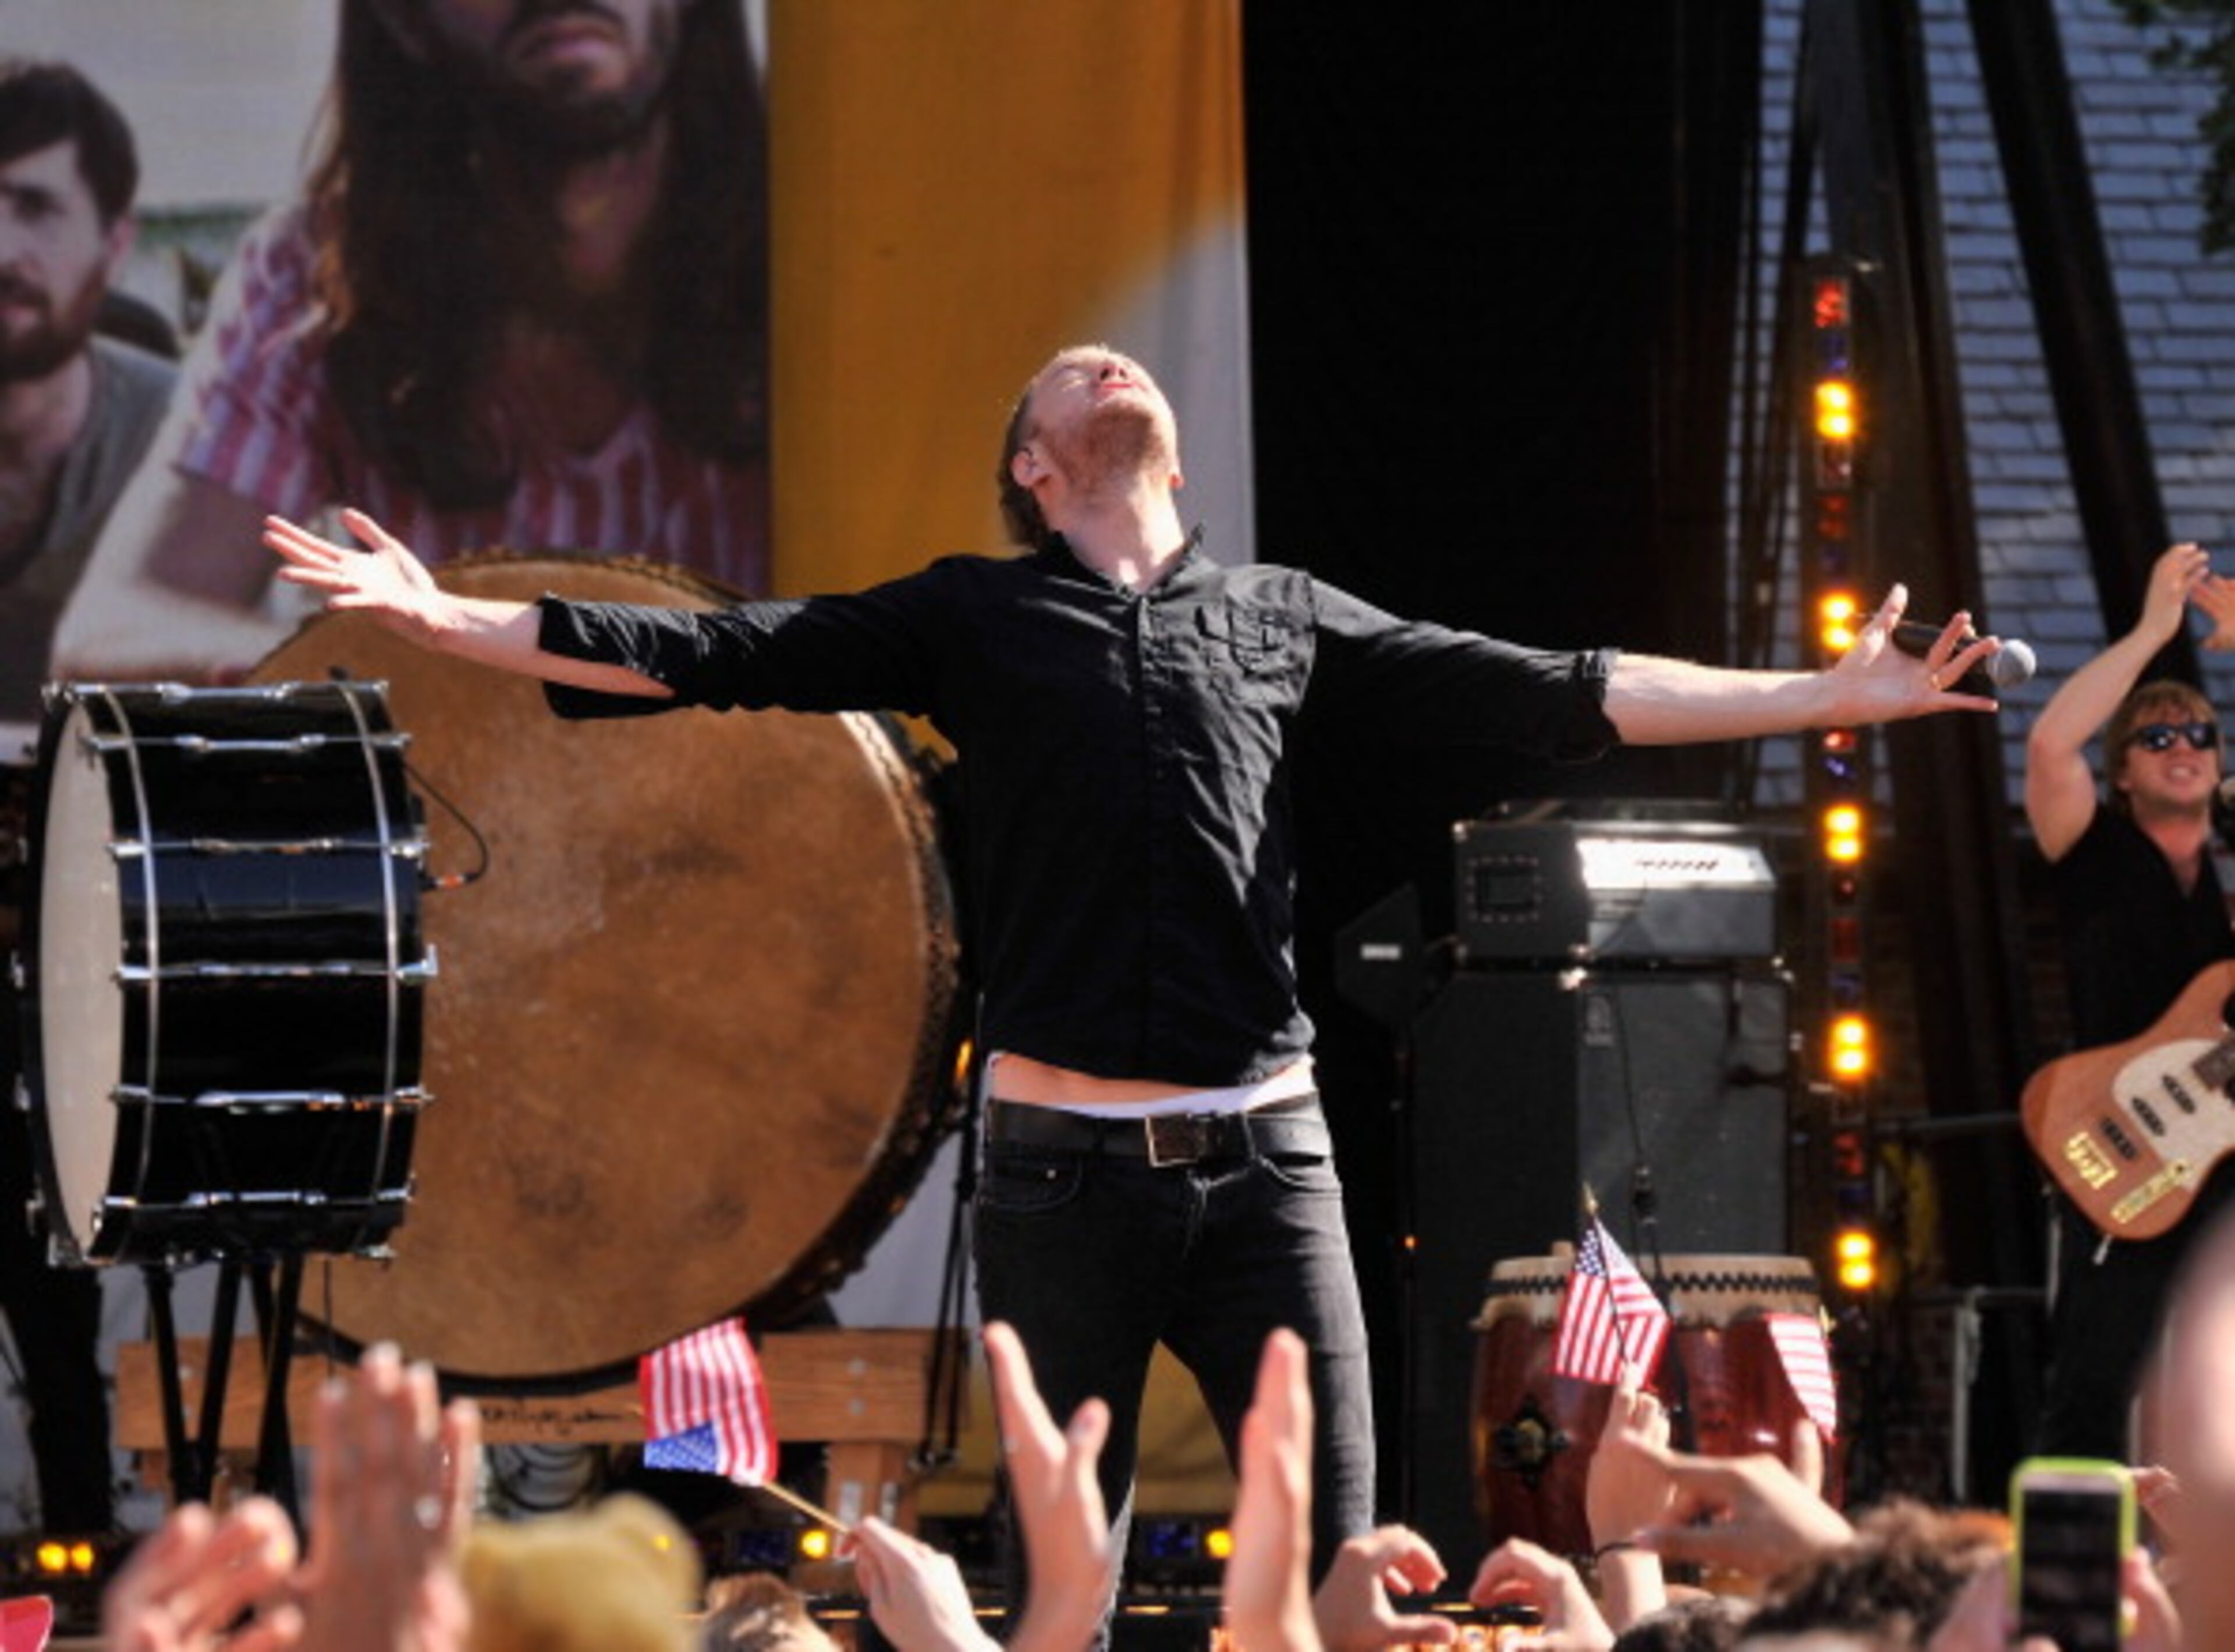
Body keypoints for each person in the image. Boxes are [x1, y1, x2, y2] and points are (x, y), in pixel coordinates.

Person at [261, 343, 2000, 1611]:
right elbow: (713, 655)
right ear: (1034, 467)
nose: (1101, 367)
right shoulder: (974, 614)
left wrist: (1822, 696)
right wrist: (443, 618)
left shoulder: (1278, 616)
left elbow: (1554, 683)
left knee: (1336, 1562)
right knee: (1058, 1575)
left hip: (1266, 1166)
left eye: (1112, 364)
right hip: (1057, 1176)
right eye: (1059, 380)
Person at [52, 0, 768, 684]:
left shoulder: (832, 254)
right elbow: (115, 628)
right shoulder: (319, 279)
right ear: (403, 18)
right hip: (456, 804)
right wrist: (423, 660)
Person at [0, 54, 178, 1537]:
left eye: (31, 206)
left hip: (92, 933)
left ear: (113, 239)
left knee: (51, 1251)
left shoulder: (188, 448)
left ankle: (83, 1516)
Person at [2022, 541, 2235, 1458]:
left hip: (2219, 1153)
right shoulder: (2096, 848)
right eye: (2157, 736)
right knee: (2098, 1381)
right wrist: (2156, 629)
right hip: (2125, 1138)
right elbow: (2048, 740)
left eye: (2199, 734)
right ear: (2124, 770)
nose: (2182, 745)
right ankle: (2067, 1587)